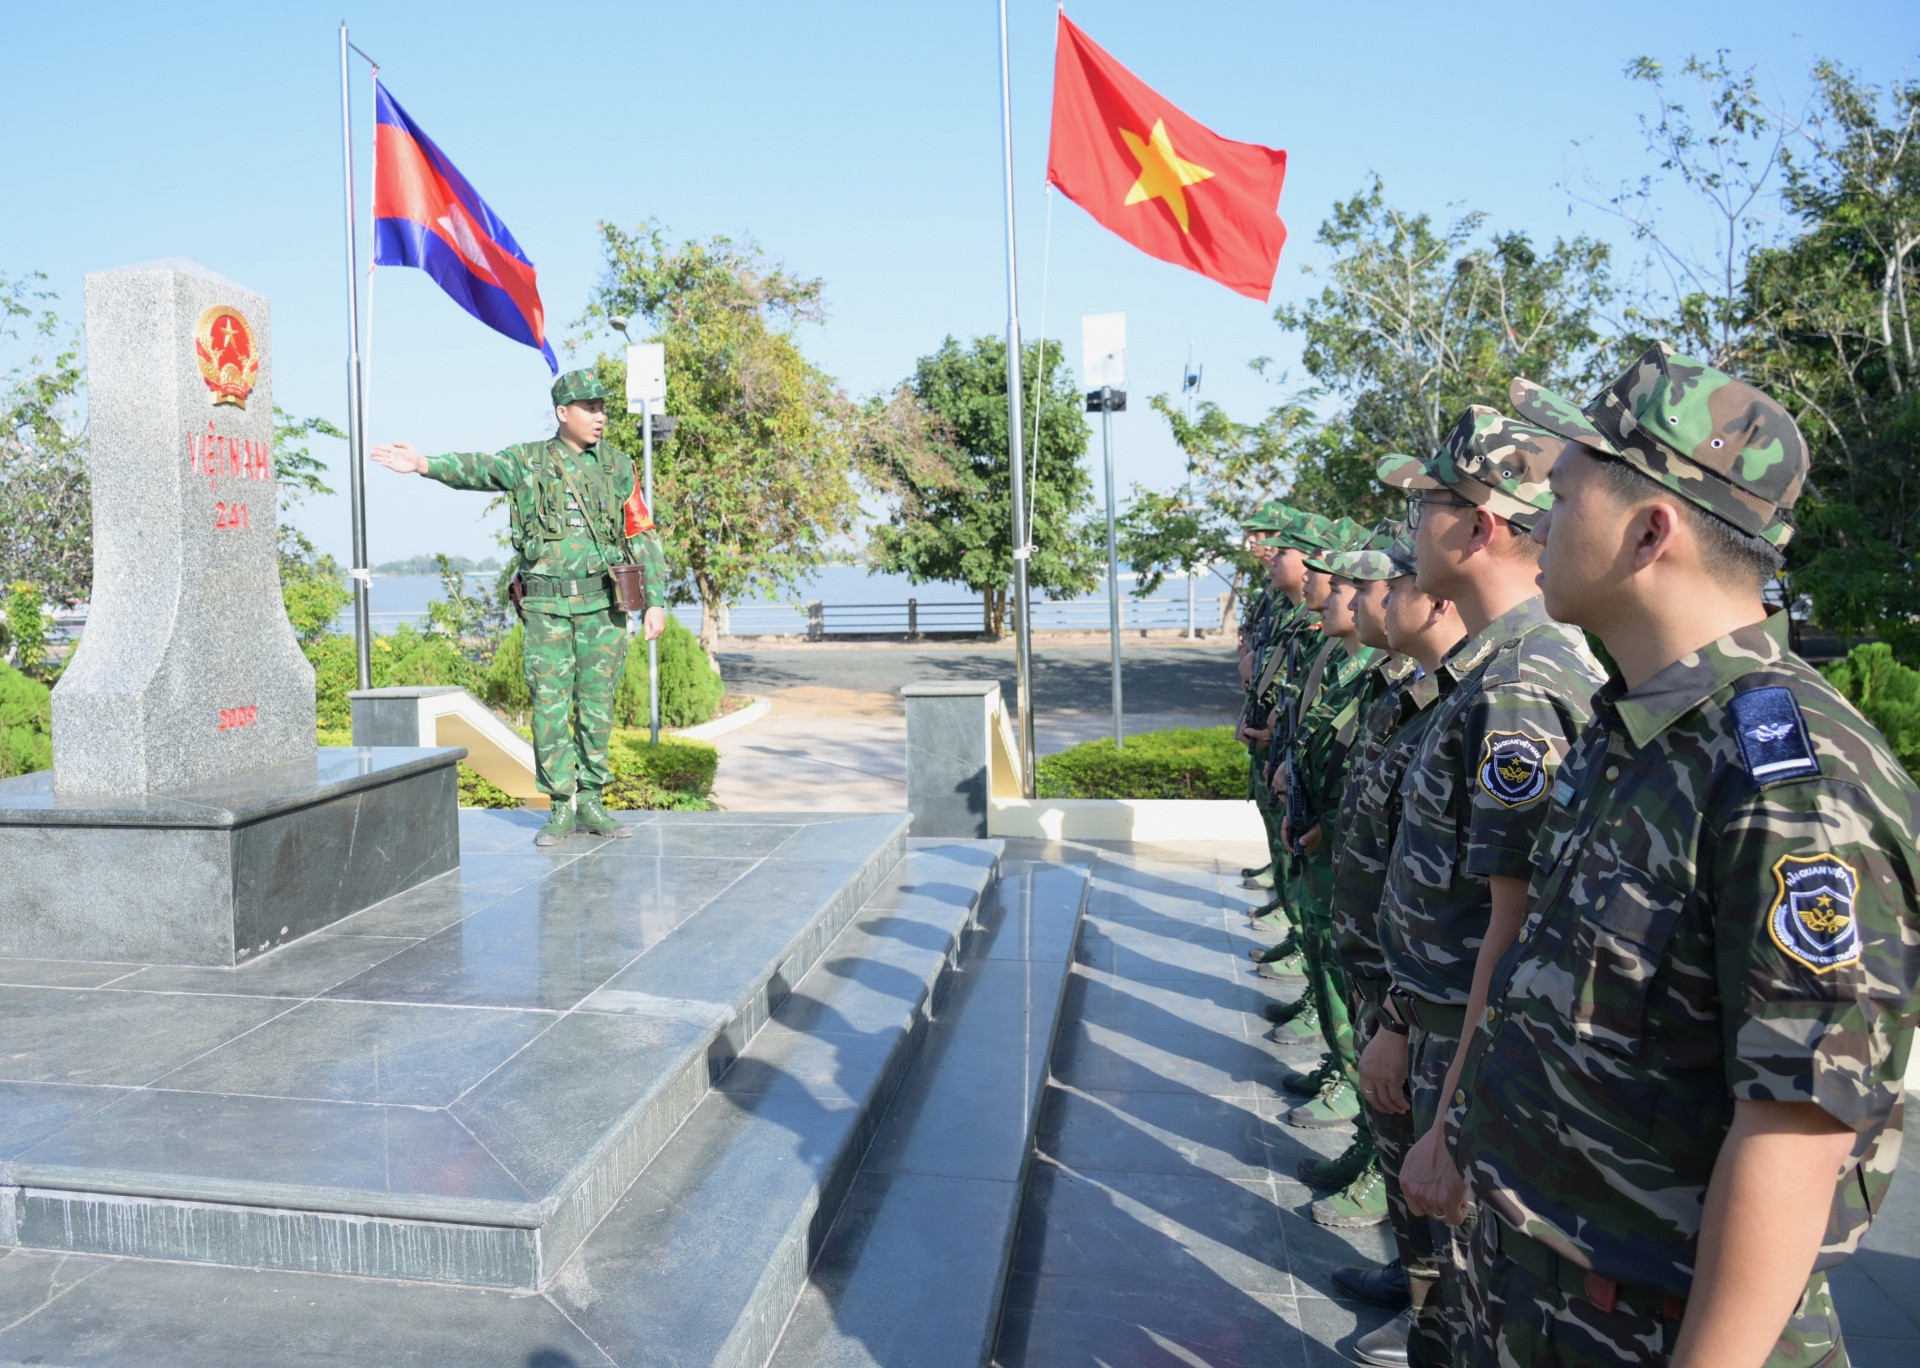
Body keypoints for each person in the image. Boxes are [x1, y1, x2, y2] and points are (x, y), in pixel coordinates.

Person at [1433, 345, 1920, 1367]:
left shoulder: (1794, 785)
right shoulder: (1636, 734)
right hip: (1535, 1298)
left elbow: (1797, 1129)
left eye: (1563, 502)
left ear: (1651, 530)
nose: (1541, 528)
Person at [1369, 407, 1608, 1364]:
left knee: (1476, 1321)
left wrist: (1456, 1115)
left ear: (1480, 524)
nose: (1410, 527)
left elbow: (1513, 929)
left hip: (1469, 1059)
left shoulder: (1522, 683)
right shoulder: (1488, 672)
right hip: (1434, 1029)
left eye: (1428, 502)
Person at [370, 369, 668, 847]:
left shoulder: (619, 466)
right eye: (589, 408)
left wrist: (654, 598)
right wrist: (425, 463)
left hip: (602, 608)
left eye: (602, 407)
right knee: (549, 706)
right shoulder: (527, 461)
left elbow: (640, 532)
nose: (600, 416)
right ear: (562, 413)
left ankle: (591, 798)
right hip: (546, 608)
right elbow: (479, 468)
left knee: (597, 706)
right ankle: (559, 806)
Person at [1328, 534, 1468, 1362]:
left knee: (1436, 1180)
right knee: (1405, 1155)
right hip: (1394, 979)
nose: (1368, 601)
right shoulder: (1419, 694)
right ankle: (1421, 1296)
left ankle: (1432, 1315)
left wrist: (1403, 1012)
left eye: (1385, 586)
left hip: (1426, 1005)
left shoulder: (1508, 700)